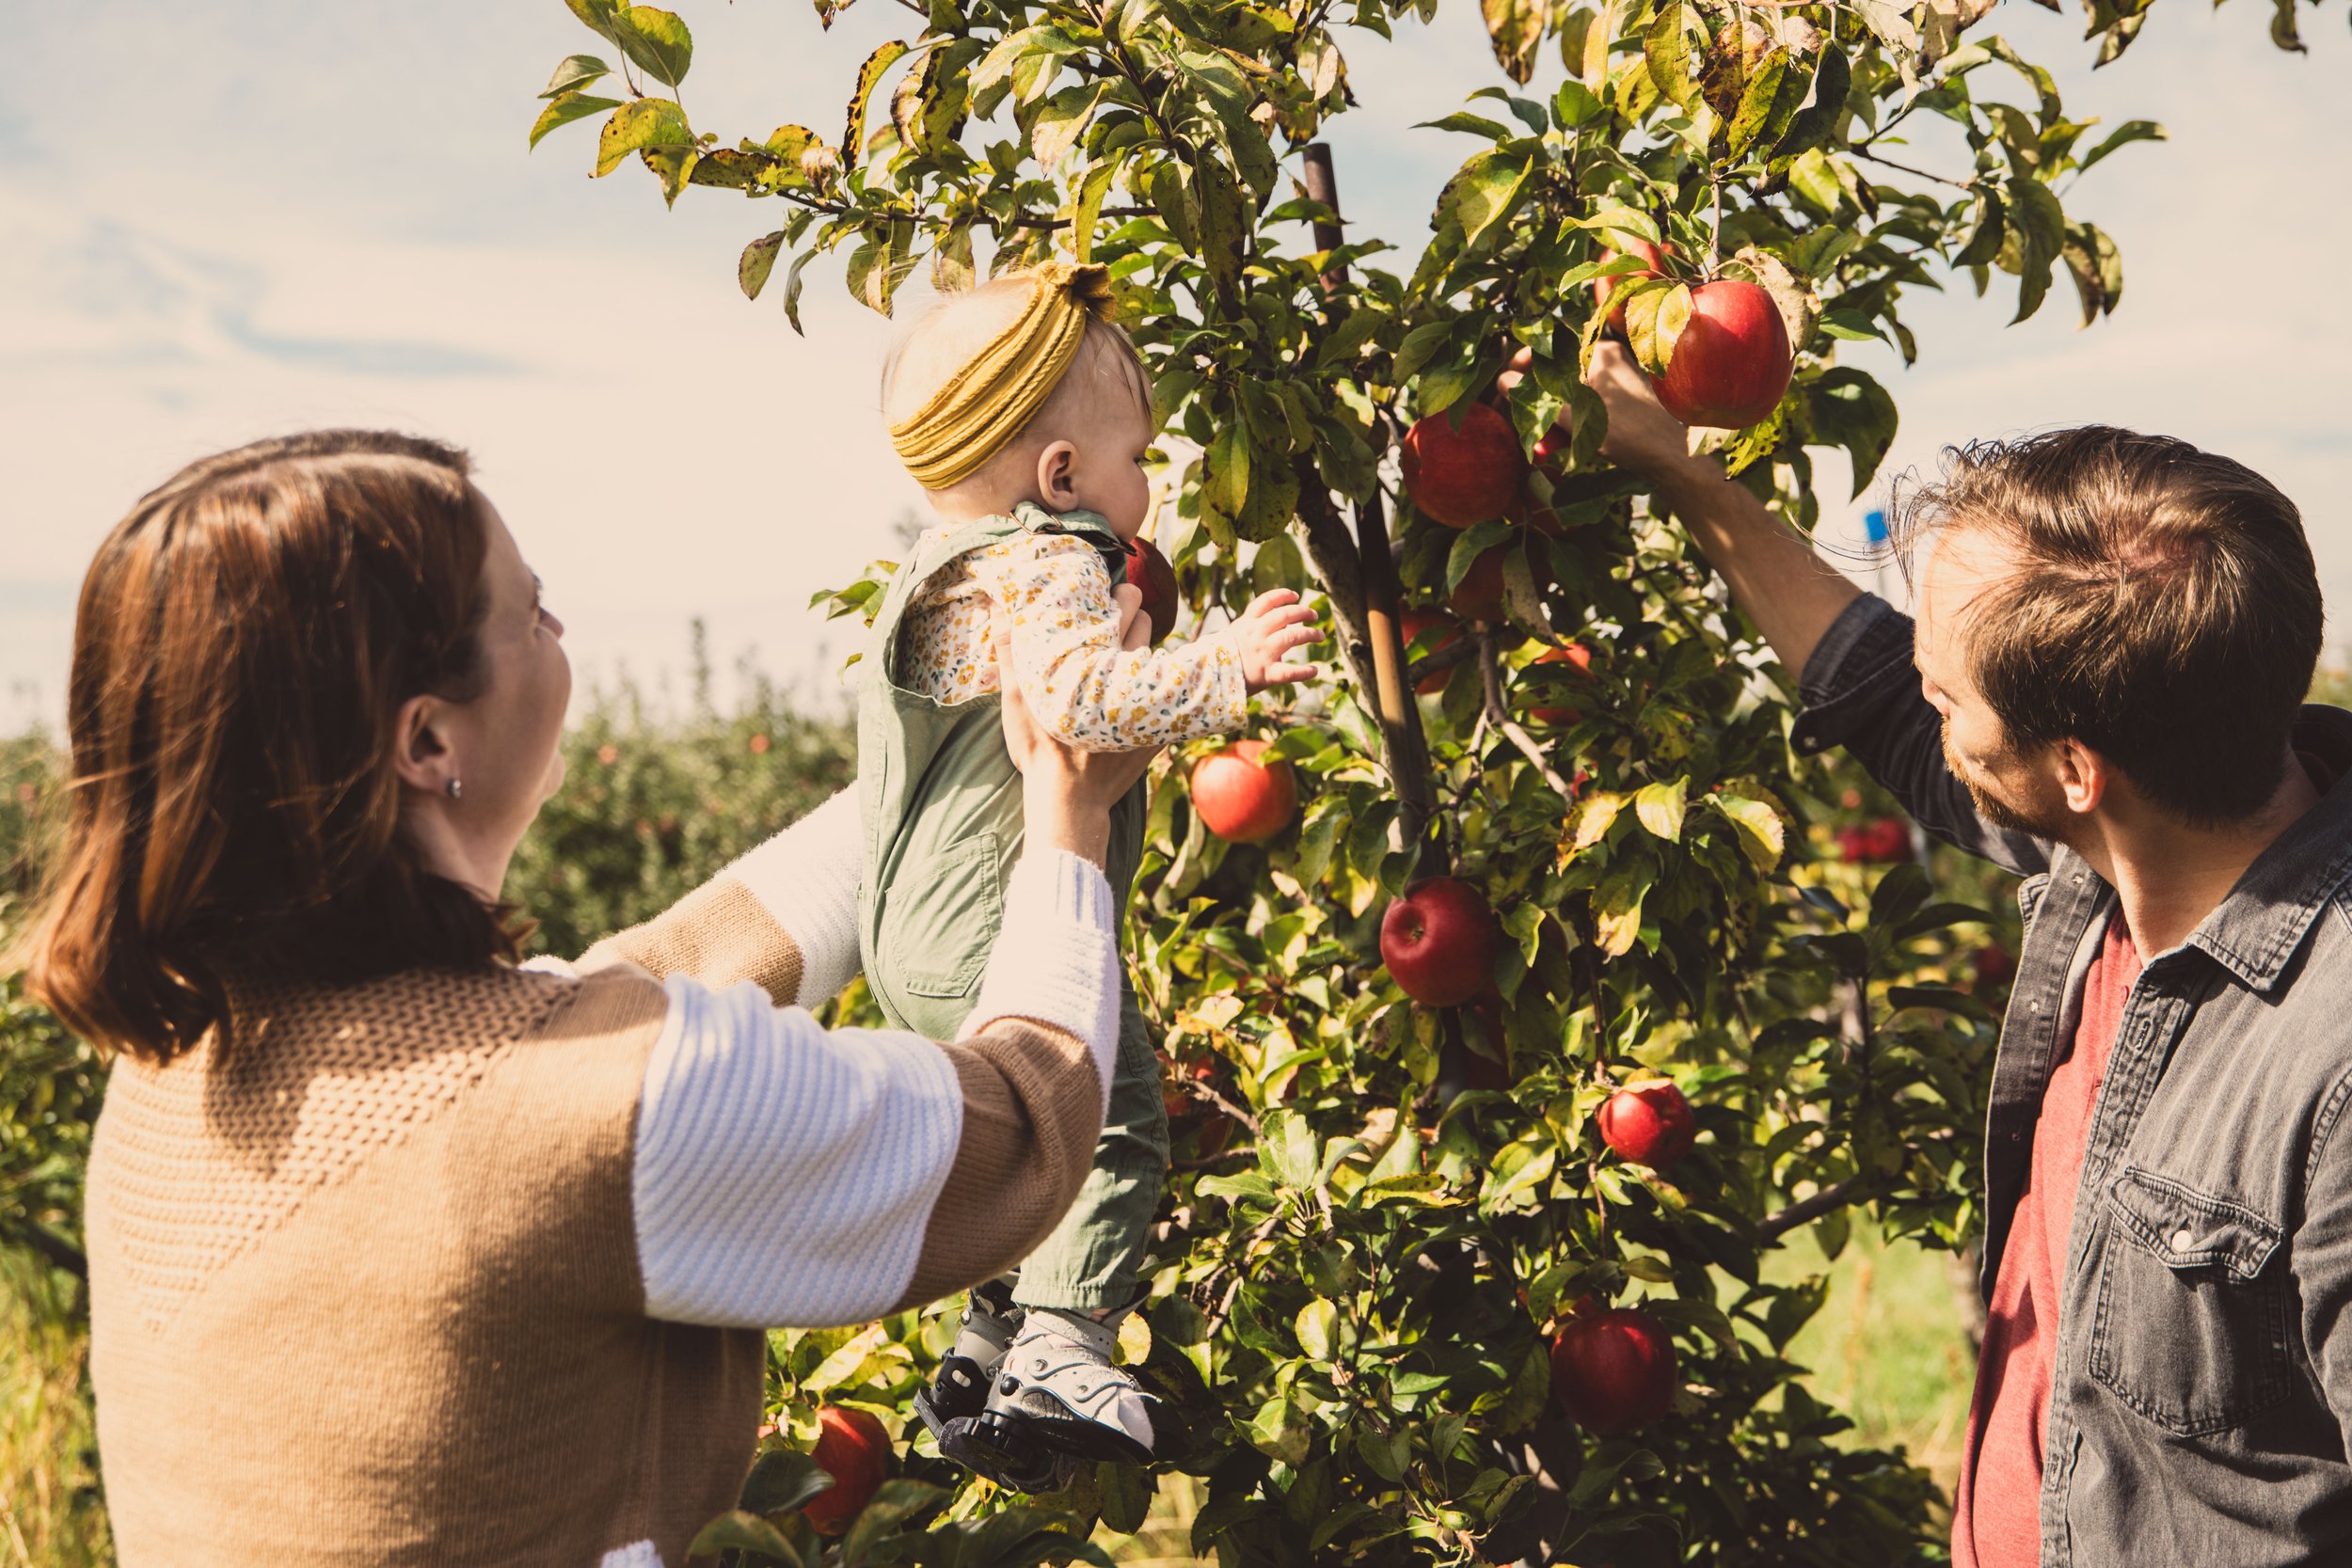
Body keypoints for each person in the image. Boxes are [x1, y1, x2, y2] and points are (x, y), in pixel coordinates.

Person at [13, 430, 1152, 1568]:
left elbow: (625, 987)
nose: (560, 632)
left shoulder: (183, 1063)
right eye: (530, 611)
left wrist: (939, 770)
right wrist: (1068, 820)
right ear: (426, 736)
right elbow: (1019, 1123)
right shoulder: (592, 1110)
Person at [1524, 342, 2352, 1563]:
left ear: (2076, 766)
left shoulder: (2325, 1064)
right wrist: (1681, 467)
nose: (1928, 706)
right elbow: (1869, 683)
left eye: (1951, 696)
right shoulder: (2124, 844)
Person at [863, 261, 1320, 1487]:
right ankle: (1063, 1343)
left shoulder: (937, 575)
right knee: (1109, 1108)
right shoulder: (1048, 555)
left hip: (910, 931)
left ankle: (981, 1345)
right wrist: (1221, 666)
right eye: (1138, 458)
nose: (1152, 486)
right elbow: (1073, 705)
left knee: (1013, 1130)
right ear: (1061, 477)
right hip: (997, 918)